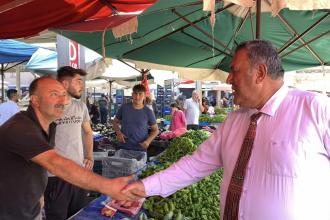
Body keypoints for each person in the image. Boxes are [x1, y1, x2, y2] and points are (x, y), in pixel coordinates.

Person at [123, 40, 330, 220]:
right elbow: (193, 166)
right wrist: (144, 187)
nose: (229, 79)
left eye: (234, 70)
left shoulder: (316, 110)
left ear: (259, 73)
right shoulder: (234, 121)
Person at [0, 76, 134, 220]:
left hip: (30, 209)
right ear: (35, 100)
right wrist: (107, 186)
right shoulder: (21, 127)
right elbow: (55, 164)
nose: (62, 101)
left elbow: (36, 166)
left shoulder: (49, 126)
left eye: (63, 94)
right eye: (53, 94)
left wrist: (39, 194)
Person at [44, 66, 94, 220]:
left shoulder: (80, 106)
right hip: (55, 176)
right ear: (65, 84)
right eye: (78, 81)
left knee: (79, 215)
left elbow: (88, 132)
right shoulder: (47, 107)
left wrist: (89, 156)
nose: (82, 85)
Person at [113, 84, 159, 151]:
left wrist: (148, 141)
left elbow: (156, 130)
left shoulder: (148, 112)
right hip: (123, 147)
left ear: (144, 95)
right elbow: (115, 121)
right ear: (132, 94)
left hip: (140, 149)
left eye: (140, 94)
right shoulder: (124, 107)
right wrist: (118, 133)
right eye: (135, 94)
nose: (137, 97)